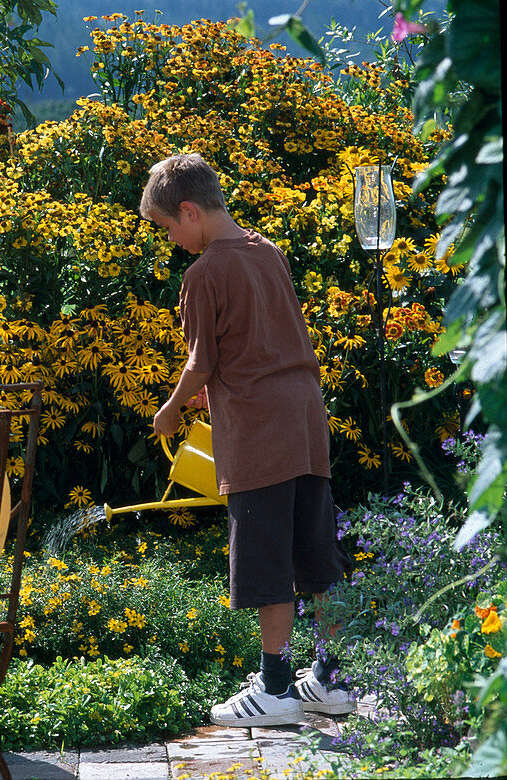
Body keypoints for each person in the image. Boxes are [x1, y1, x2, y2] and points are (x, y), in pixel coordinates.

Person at [143, 154, 355, 727]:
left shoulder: (204, 274)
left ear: (189, 211)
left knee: (264, 558)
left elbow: (198, 365)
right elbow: (262, 340)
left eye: (168, 227)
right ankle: (331, 681)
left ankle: (275, 688)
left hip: (259, 432)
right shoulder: (268, 251)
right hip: (306, 421)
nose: (172, 240)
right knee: (314, 551)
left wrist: (168, 412)